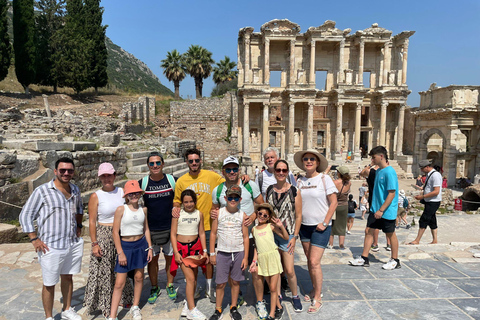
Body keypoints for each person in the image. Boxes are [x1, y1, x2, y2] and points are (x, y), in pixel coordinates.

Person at [20, 157, 84, 320]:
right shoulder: (42, 191)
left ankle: (67, 309)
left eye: (69, 170)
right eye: (62, 170)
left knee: (68, 277)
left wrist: (78, 226)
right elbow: (26, 215)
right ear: (55, 171)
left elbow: (79, 209)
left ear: (73, 172)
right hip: (50, 245)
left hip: (71, 243)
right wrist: (34, 239)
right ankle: (49, 317)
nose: (66, 173)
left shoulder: (75, 189)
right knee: (49, 283)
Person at [211, 156, 263, 310]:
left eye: (235, 169)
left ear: (239, 170)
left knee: (254, 269)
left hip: (250, 235)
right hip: (228, 238)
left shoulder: (250, 185)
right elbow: (214, 210)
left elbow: (262, 204)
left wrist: (253, 216)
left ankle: (258, 301)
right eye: (228, 169)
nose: (232, 172)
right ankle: (237, 294)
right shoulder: (218, 190)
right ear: (223, 171)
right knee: (230, 269)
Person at [173, 148, 225, 302]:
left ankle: (209, 287)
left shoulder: (211, 176)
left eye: (196, 160)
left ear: (200, 161)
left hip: (208, 225)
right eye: (191, 161)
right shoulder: (182, 181)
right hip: (190, 228)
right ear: (187, 162)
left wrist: (244, 178)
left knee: (208, 258)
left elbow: (226, 183)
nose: (194, 163)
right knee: (192, 259)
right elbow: (177, 199)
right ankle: (193, 286)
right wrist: (175, 208)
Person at [83, 163, 133, 318]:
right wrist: (94, 243)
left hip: (121, 233)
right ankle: (105, 304)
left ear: (114, 175)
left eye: (109, 175)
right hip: (104, 234)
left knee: (120, 269)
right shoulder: (96, 196)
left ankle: (123, 298)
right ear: (99, 177)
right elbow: (92, 221)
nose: (107, 179)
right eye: (103, 176)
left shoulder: (122, 192)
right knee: (104, 271)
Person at [295, 149, 338, 314]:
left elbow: (333, 202)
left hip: (321, 226)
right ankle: (313, 289)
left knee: (314, 262)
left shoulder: (324, 178)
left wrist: (325, 222)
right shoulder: (300, 181)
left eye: (312, 159)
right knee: (309, 260)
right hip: (304, 226)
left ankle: (318, 297)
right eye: (306, 159)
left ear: (318, 162)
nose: (308, 161)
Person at [349, 146, 400, 270]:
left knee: (390, 234)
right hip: (375, 209)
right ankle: (364, 258)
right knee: (369, 231)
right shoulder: (379, 171)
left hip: (385, 210)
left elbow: (392, 193)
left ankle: (395, 260)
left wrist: (381, 210)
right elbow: (364, 173)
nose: (372, 159)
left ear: (381, 156)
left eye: (374, 157)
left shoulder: (389, 171)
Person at [109, 180, 153, 320]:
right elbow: (115, 232)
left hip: (140, 245)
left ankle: (135, 306)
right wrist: (120, 252)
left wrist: (150, 247)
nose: (134, 195)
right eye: (131, 193)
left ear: (140, 194)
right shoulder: (121, 209)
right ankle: (113, 315)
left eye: (136, 193)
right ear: (126, 196)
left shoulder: (143, 210)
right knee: (119, 283)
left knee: (139, 277)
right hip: (126, 247)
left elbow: (146, 229)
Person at [264, 159, 303, 312]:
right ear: (274, 172)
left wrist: (295, 237)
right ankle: (278, 295)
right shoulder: (269, 190)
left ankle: (295, 296)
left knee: (289, 269)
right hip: (272, 234)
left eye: (284, 170)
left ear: (287, 172)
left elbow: (299, 216)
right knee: (276, 269)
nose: (281, 173)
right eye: (278, 170)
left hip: (288, 235)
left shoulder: (294, 191)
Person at [255, 146, 296, 291]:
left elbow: (295, 198)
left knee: (284, 259)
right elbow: (258, 197)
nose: (270, 160)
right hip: (269, 224)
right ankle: (270, 282)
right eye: (267, 158)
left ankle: (282, 280)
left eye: (272, 157)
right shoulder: (260, 177)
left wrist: (295, 234)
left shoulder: (289, 177)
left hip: (286, 225)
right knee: (272, 255)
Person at [139, 152, 177, 303]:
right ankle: (154, 286)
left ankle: (170, 284)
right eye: (152, 163)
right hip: (151, 230)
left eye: (157, 163)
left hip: (170, 227)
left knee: (169, 259)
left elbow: (183, 195)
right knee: (152, 261)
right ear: (148, 165)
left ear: (163, 164)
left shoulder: (172, 180)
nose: (155, 166)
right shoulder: (143, 182)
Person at [209, 185, 249, 320]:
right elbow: (213, 233)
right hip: (222, 252)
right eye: (230, 197)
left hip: (238, 252)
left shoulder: (242, 215)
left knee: (236, 281)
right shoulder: (219, 213)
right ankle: (218, 308)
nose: (233, 200)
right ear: (225, 198)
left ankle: (233, 306)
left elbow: (245, 237)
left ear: (240, 199)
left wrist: (246, 257)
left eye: (235, 197)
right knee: (220, 283)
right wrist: (212, 253)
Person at [171, 190, 208, 320]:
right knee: (190, 278)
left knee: (194, 277)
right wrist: (176, 252)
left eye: (191, 201)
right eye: (186, 202)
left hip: (195, 249)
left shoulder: (199, 214)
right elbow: (173, 234)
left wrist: (205, 250)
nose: (189, 204)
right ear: (182, 203)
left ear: (195, 201)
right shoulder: (177, 214)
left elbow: (202, 232)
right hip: (182, 250)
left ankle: (188, 303)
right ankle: (192, 310)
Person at [249, 203, 289, 320]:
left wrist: (281, 226)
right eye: (260, 213)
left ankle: (271, 314)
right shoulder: (253, 229)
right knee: (270, 286)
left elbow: (286, 237)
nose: (262, 216)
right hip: (262, 259)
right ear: (256, 214)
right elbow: (256, 246)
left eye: (265, 215)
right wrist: (254, 260)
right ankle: (279, 307)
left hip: (273, 257)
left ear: (269, 217)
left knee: (272, 288)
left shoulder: (270, 226)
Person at [408, 160, 442, 245]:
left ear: (427, 167)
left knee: (423, 219)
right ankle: (435, 240)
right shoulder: (429, 175)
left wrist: (422, 197)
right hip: (429, 201)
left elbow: (436, 191)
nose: (421, 170)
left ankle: (417, 240)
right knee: (432, 221)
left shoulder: (436, 175)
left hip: (433, 201)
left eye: (422, 168)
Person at [328, 166, 351, 249]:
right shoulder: (349, 183)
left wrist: (327, 170)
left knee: (332, 225)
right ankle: (341, 244)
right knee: (342, 225)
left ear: (339, 173)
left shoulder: (335, 183)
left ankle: (331, 244)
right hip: (344, 206)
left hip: (335, 206)